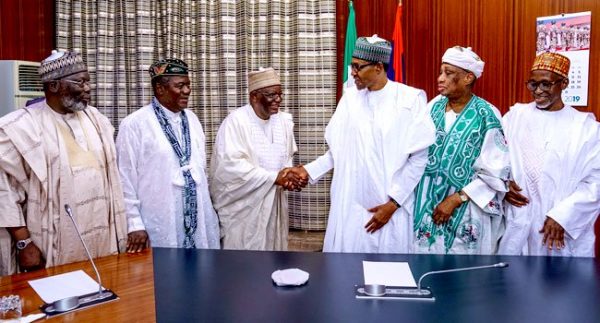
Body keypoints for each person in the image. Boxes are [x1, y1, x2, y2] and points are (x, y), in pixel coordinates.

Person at [291, 35, 436, 253]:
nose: (352, 72)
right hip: (348, 205)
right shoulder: (350, 99)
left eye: (358, 67)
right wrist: (308, 171)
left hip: (387, 206)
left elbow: (418, 158)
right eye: (352, 65)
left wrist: (393, 203)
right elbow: (339, 152)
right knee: (345, 273)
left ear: (378, 67)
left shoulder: (409, 99)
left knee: (387, 275)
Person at [0, 50, 127, 275]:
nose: (88, 88)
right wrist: (23, 242)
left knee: (101, 296)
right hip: (52, 244)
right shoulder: (20, 127)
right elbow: (4, 191)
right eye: (80, 82)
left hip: (101, 239)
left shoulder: (97, 120)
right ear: (54, 86)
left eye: (88, 81)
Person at [499, 52, 600, 257]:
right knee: (514, 284)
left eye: (546, 84)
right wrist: (502, 185)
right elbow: (493, 158)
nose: (538, 91)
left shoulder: (586, 128)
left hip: (561, 229)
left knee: (559, 285)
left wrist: (563, 216)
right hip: (519, 221)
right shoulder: (515, 117)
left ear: (563, 83)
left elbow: (595, 181)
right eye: (533, 84)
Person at [413, 46, 509, 255]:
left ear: (467, 78)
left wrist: (456, 199)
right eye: (441, 72)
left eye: (448, 73)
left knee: (463, 275)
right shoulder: (432, 107)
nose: (440, 78)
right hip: (428, 206)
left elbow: (496, 171)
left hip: (467, 209)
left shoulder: (487, 114)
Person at [116, 58, 220, 251]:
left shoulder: (193, 119)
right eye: (180, 86)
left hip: (198, 218)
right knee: (163, 276)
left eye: (188, 85)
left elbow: (201, 171)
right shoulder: (135, 124)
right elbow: (124, 179)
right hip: (159, 220)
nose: (187, 91)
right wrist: (134, 223)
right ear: (159, 88)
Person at [209, 67, 300, 251]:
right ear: (254, 97)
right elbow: (230, 169)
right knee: (245, 267)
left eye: (280, 95)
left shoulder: (283, 121)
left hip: (275, 206)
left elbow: (286, 159)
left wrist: (289, 177)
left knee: (274, 261)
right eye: (271, 95)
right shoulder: (236, 122)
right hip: (244, 213)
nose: (278, 100)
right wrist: (275, 177)